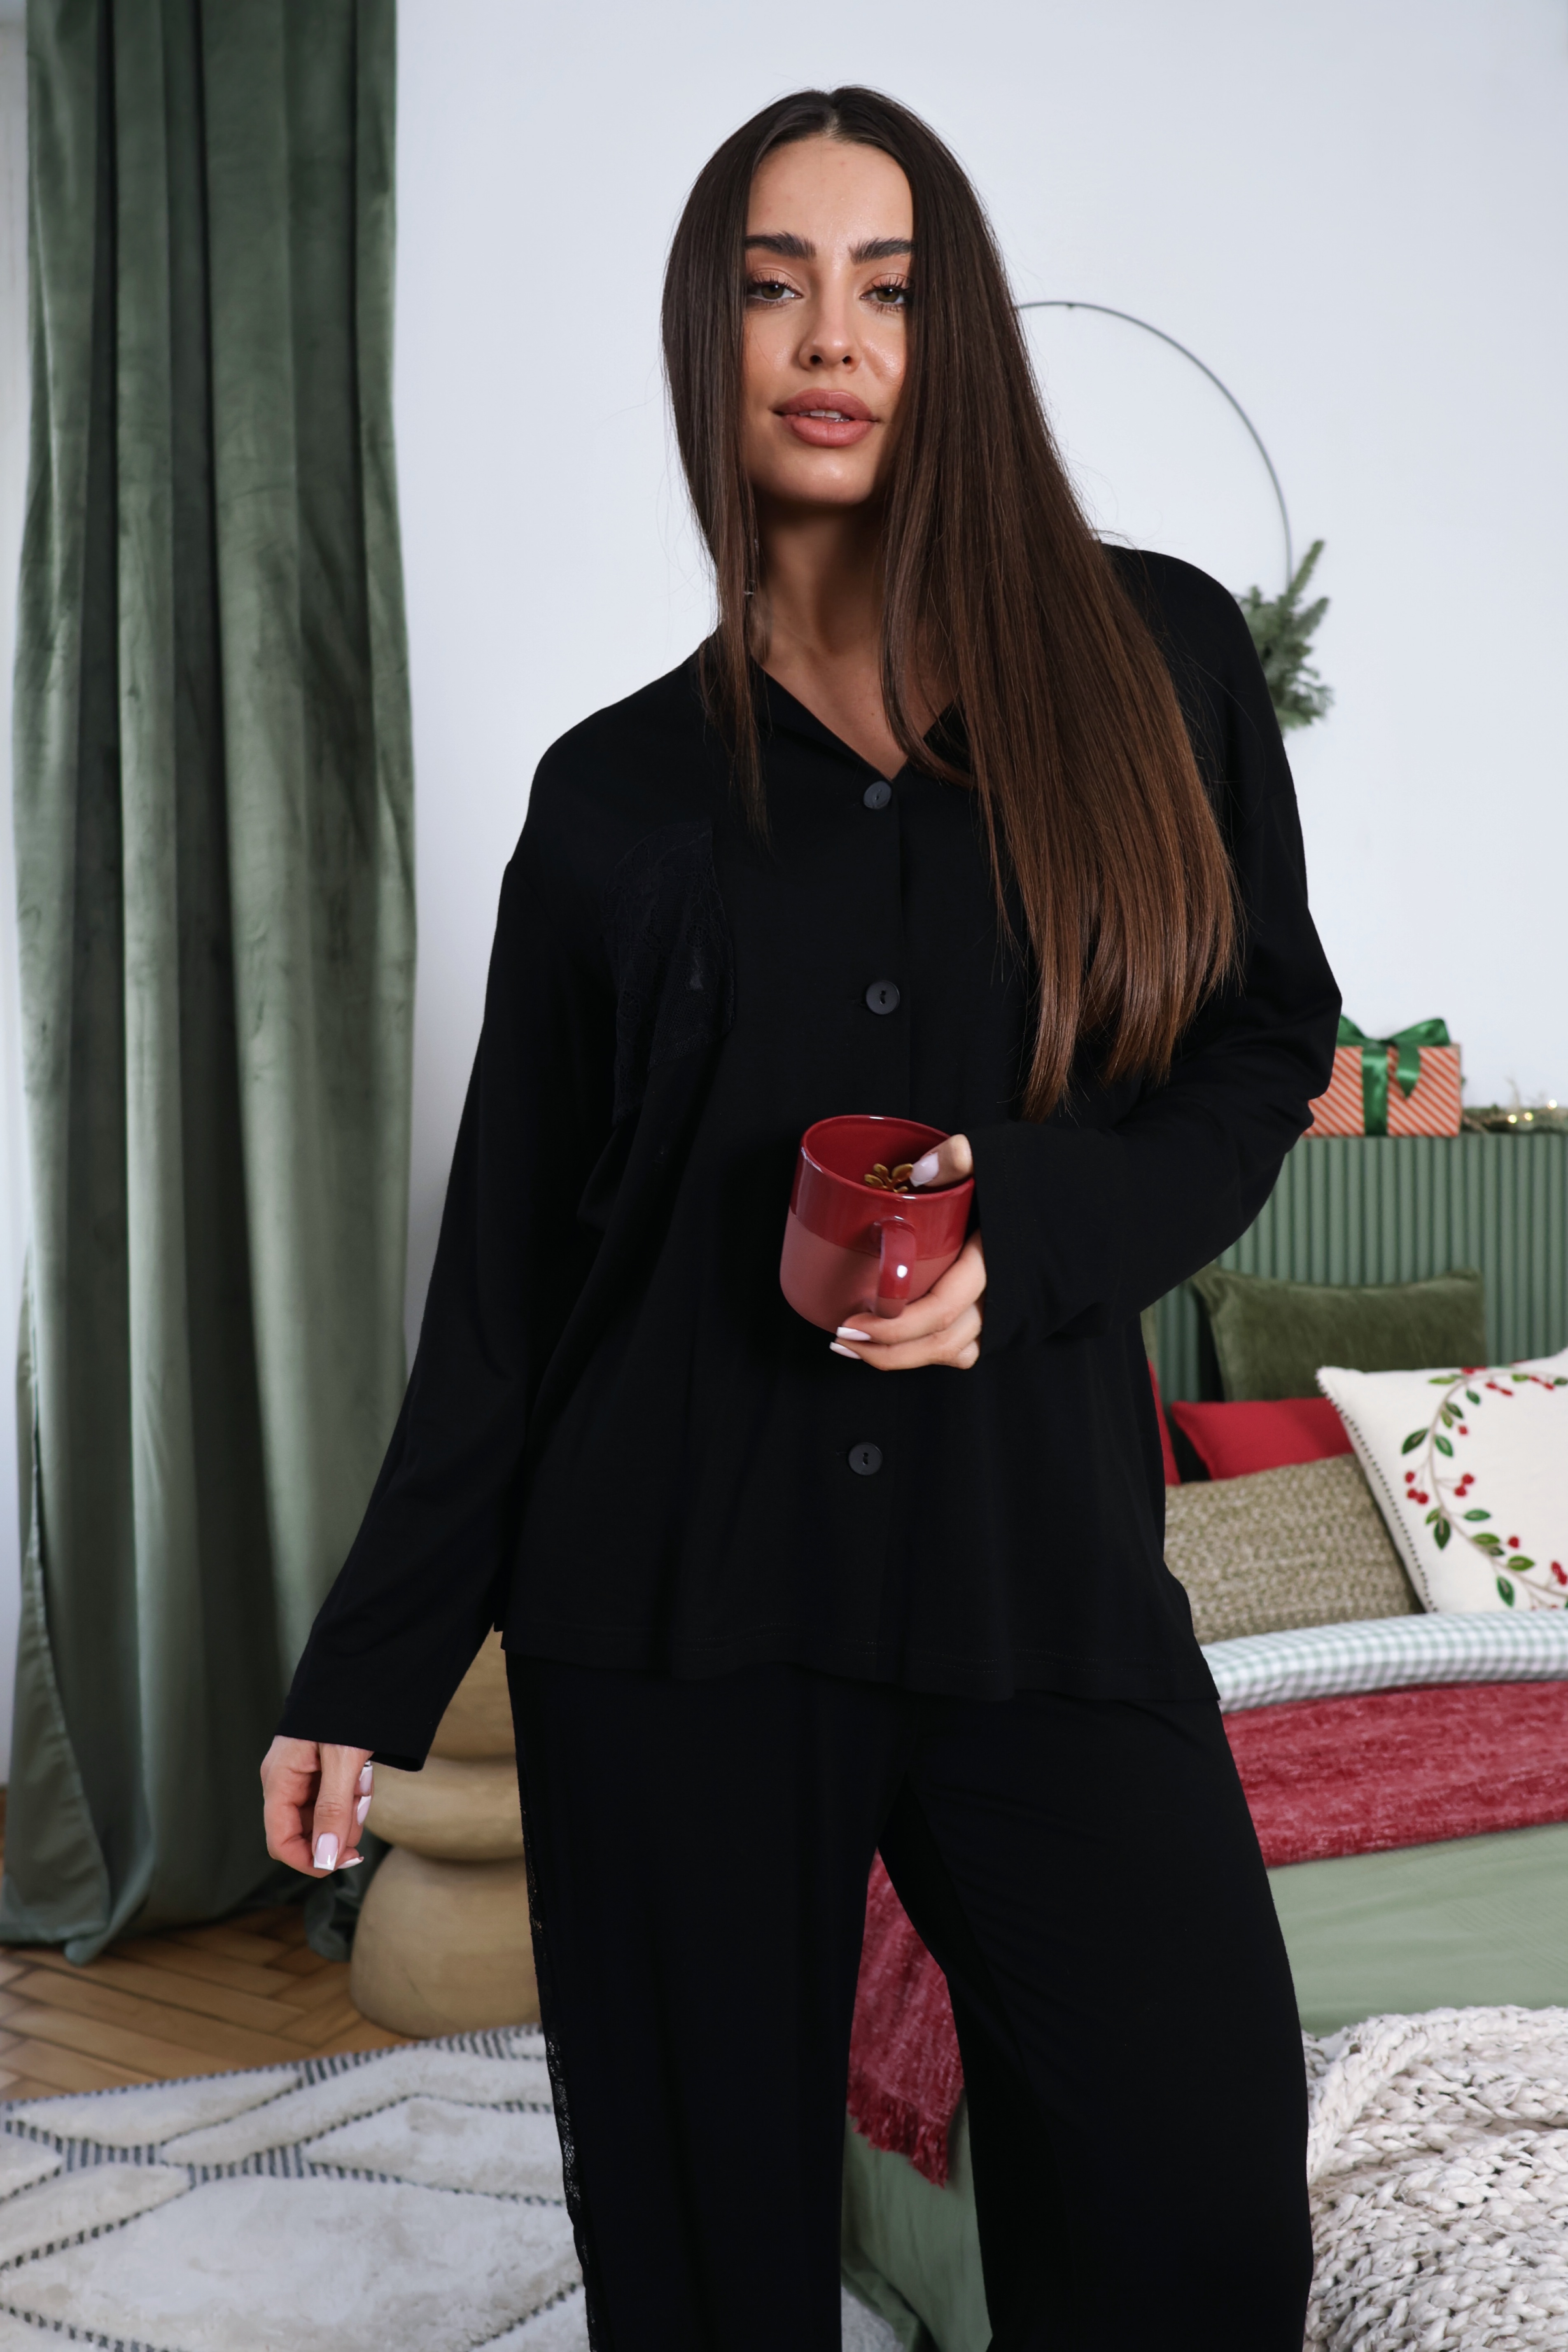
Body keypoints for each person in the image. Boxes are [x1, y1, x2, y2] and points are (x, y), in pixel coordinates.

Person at [262, 86, 1338, 2351]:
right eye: (773, 285)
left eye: (889, 288)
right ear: (710, 338)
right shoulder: (613, 797)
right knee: (707, 2282)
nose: (831, 338)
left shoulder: (1157, 663)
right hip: (675, 1609)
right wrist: (365, 1667)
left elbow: (1261, 1049)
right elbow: (515, 1276)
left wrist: (1030, 1230)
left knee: (1194, 2217)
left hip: (1036, 1579)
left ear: (958, 341)